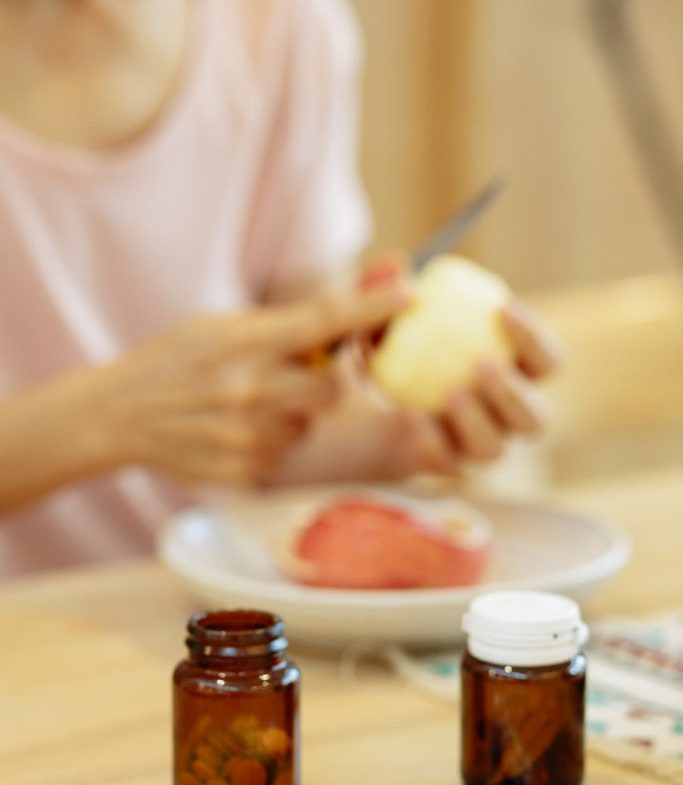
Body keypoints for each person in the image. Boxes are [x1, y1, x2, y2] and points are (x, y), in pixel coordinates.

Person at [0, 0, 559, 576]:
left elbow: (292, 430)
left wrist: (407, 437)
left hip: (201, 609)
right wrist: (114, 414)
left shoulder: (280, 24)